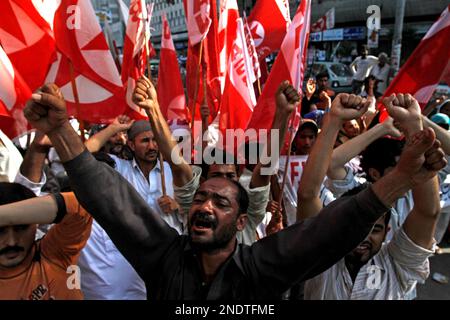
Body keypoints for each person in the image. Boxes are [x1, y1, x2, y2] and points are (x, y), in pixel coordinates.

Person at [21, 82, 446, 299]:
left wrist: (398, 180)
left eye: (221, 201)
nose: (204, 205)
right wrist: (60, 130)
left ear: (243, 222)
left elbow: (329, 231)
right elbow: (112, 202)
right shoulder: (164, 257)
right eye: (201, 197)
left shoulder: (260, 268)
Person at [297, 92, 444, 299]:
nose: (364, 237)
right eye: (354, 226)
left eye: (375, 229)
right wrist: (333, 120)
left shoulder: (396, 266)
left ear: (387, 232)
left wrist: (414, 124)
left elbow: (428, 212)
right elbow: (307, 194)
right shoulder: (321, 258)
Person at [0, 183, 92, 299]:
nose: (11, 242)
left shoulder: (55, 252)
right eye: (0, 231)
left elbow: (80, 208)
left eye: (22, 228)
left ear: (37, 224)